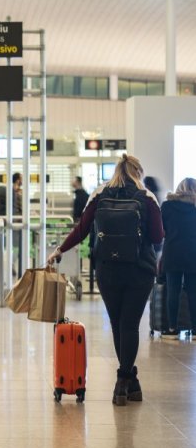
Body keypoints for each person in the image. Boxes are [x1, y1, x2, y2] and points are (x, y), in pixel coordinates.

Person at [48, 154, 163, 406]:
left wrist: (60, 250)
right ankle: (124, 380)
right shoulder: (146, 197)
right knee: (130, 325)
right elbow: (157, 236)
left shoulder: (99, 195)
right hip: (139, 270)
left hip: (107, 268)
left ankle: (128, 381)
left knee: (117, 323)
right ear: (138, 172)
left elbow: (81, 230)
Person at [161, 178, 196, 340]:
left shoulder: (167, 206)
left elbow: (162, 231)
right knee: (193, 292)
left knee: (173, 291)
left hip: (172, 252)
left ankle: (172, 329)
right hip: (193, 253)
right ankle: (195, 330)